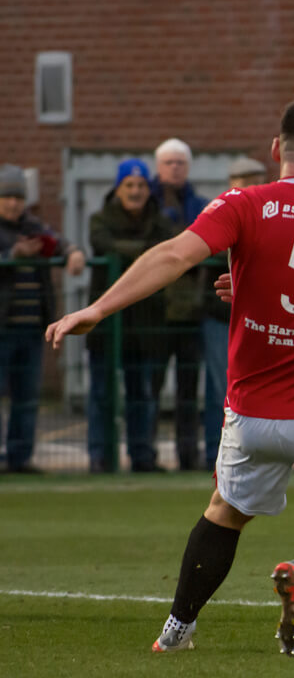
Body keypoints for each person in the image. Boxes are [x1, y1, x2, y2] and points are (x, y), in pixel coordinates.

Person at [47, 98, 294, 657]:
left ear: (275, 150)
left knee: (226, 511)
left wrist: (97, 309)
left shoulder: (246, 203)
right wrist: (258, 291)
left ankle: (176, 631)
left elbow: (173, 255)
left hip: (252, 413)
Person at [87, 158, 178, 473]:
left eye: (141, 185)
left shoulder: (161, 220)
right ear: (119, 187)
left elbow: (166, 248)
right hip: (106, 324)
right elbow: (103, 245)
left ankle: (142, 456)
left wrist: (137, 253)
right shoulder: (99, 218)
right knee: (101, 394)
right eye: (130, 185)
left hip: (147, 324)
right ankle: (99, 457)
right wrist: (147, 255)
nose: (136, 191)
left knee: (143, 395)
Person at [0, 164, 86, 472]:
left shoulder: (33, 226)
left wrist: (73, 251)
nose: (13, 203)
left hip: (31, 328)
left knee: (26, 398)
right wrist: (13, 256)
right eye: (7, 197)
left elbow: (57, 240)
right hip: (2, 328)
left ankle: (20, 459)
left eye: (18, 197)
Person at [201, 156, 269, 471]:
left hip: (264, 319)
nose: (249, 185)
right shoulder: (220, 212)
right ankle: (216, 455)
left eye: (255, 178)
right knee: (222, 387)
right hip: (222, 314)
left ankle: (253, 455)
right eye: (243, 179)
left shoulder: (272, 215)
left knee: (257, 386)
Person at [151, 138, 210, 470]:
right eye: (169, 162)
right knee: (151, 387)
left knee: (189, 390)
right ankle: (144, 455)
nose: (175, 168)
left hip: (191, 312)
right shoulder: (147, 202)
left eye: (180, 163)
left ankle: (188, 455)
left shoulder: (200, 204)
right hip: (156, 313)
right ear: (158, 166)